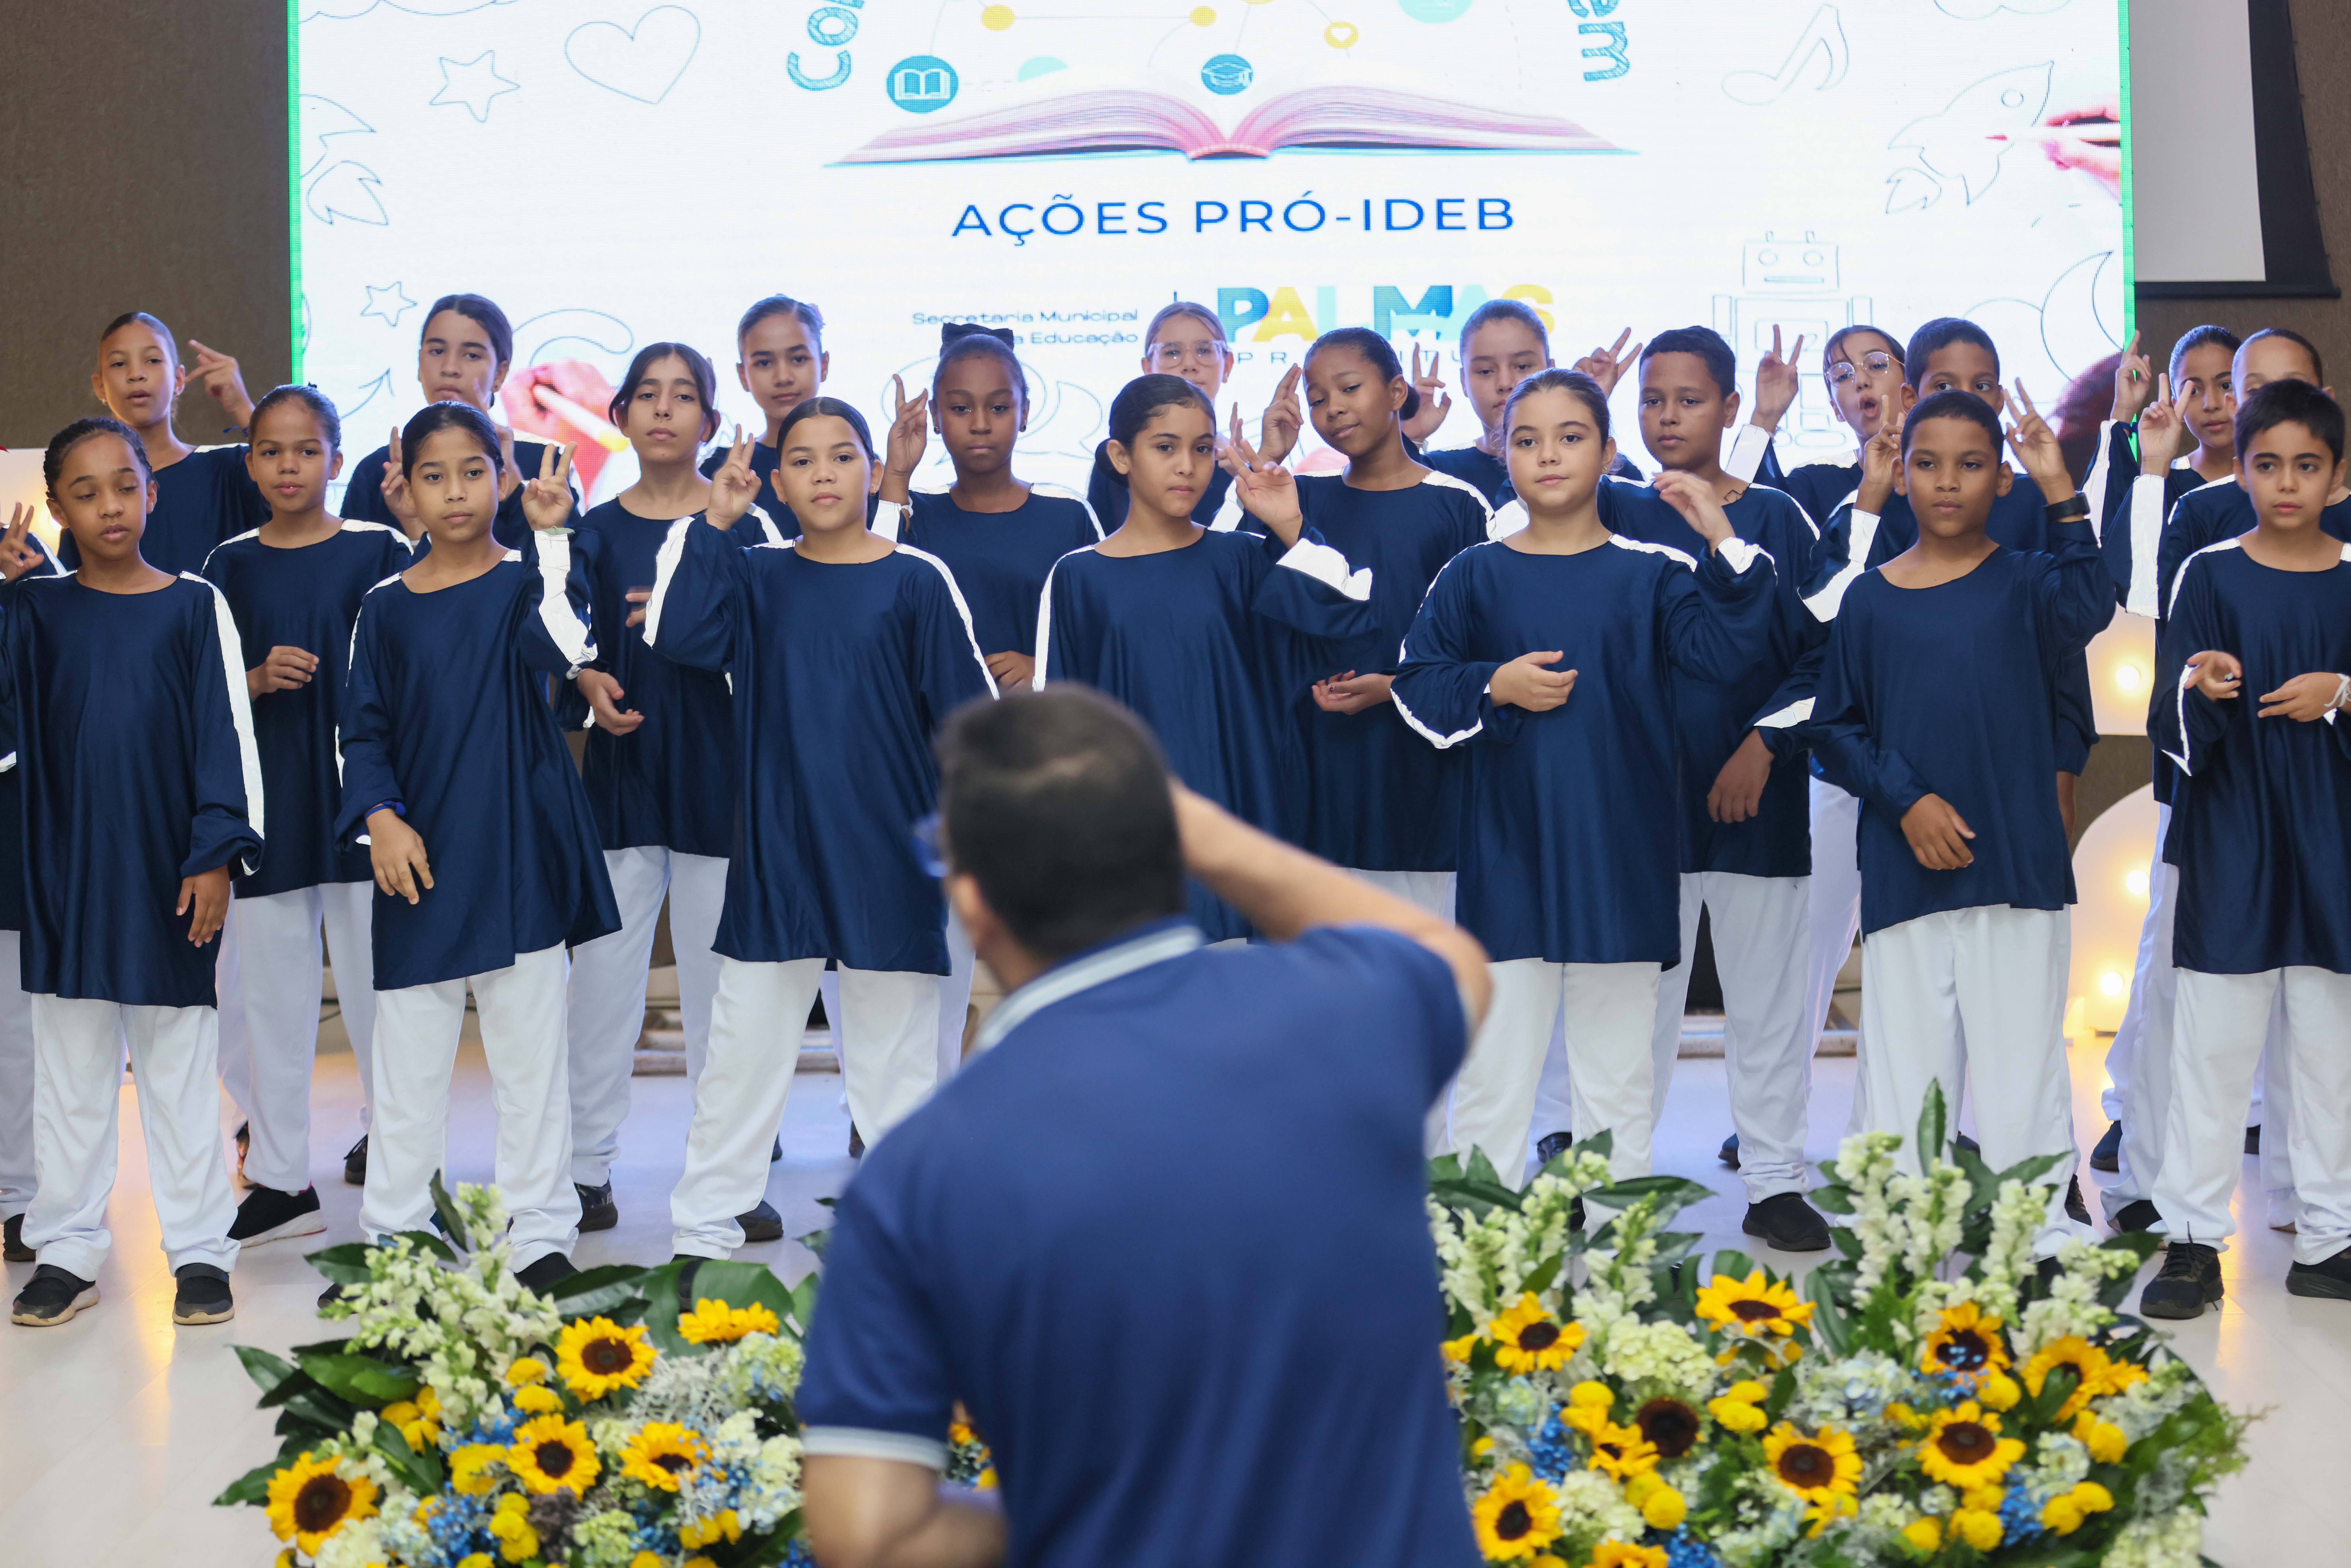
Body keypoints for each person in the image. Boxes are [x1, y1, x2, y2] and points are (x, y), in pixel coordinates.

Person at [796, 686, 1492, 1568]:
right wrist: (1200, 827)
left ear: (973, 905)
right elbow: (1449, 955)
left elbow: (868, 1536)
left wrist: (1077, 1516)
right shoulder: (1350, 1017)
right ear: (1173, 850)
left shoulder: (917, 1176)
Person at [1394, 369, 1775, 1188]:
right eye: (1526, 440)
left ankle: (1618, 1262)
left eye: (1570, 438)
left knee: (1616, 1083)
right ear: (1503, 455)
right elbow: (1419, 685)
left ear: (1607, 453)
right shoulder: (1474, 574)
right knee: (1494, 1078)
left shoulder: (1655, 574)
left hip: (1623, 864)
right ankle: (1484, 1262)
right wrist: (1494, 684)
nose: (1548, 456)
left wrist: (1720, 534)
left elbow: (1732, 651)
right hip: (1508, 865)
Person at [652, 401, 995, 1260]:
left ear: (869, 467)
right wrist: (718, 519)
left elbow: (972, 724)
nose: (825, 475)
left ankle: (911, 1237)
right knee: (743, 1049)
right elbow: (682, 635)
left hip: (888, 856)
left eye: (843, 456)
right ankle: (704, 1232)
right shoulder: (757, 574)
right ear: (778, 480)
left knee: (895, 1059)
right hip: (779, 853)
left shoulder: (915, 578)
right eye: (802, 461)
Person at [1811, 387, 2113, 1251]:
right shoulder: (1868, 598)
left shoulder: (2030, 585)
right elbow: (1834, 729)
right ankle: (1901, 1239)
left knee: (2022, 1065)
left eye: (1971, 464)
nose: (1948, 482)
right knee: (1904, 1066)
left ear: (2002, 479)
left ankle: (2041, 1239)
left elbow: (2091, 603)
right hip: (1908, 872)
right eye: (1928, 463)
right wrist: (1907, 800)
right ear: (1900, 475)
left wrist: (2063, 486)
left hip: (2016, 866)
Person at [332, 404, 616, 1300]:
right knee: (407, 1065)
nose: (454, 492)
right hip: (417, 857)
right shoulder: (381, 609)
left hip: (517, 850)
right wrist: (378, 815)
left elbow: (571, 645)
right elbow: (360, 731)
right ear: (402, 485)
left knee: (532, 1062)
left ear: (501, 475)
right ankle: (400, 1240)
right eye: (433, 475)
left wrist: (554, 536)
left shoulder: (521, 583)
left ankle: (539, 1236)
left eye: (471, 471)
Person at [4, 418, 262, 1329]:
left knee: (181, 1075)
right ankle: (67, 1249)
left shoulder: (194, 605)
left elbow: (224, 737)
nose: (110, 506)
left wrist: (215, 854)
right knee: (69, 1079)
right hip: (66, 877)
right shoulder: (33, 612)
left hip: (169, 880)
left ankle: (198, 1251)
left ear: (153, 490)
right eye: (86, 492)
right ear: (59, 510)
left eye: (126, 484)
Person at [1581, 325, 1833, 1248]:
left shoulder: (1773, 517)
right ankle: (1620, 1183)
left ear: (1732, 408)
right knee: (1631, 1009)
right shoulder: (1604, 508)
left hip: (1757, 809)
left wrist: (1762, 746)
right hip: (1639, 811)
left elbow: (1824, 656)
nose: (1668, 415)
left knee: (1766, 1004)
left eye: (1689, 399)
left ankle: (1773, 1182)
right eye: (1651, 400)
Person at [2102, 327, 2343, 1234]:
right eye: (2268, 463)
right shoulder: (2206, 558)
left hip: (2328, 831)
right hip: (2227, 826)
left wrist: (2341, 692)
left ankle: (2324, 1223)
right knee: (2203, 1029)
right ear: (2240, 469)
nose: (2288, 482)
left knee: (2324, 1040)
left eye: (2307, 465)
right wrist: (2198, 687)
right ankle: (2185, 1221)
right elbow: (2165, 678)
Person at [1037, 375, 1377, 942]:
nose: (1187, 466)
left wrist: (1288, 523)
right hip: (1136, 857)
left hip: (1247, 839)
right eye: (1165, 447)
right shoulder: (1078, 577)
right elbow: (1057, 738)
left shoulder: (1242, 558)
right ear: (1121, 455)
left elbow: (1349, 627)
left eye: (1201, 449)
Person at [563, 343, 777, 1236]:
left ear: (712, 421)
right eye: (645, 395)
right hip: (624, 777)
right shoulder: (595, 531)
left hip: (720, 781)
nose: (662, 410)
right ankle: (583, 1170)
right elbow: (567, 634)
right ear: (618, 415)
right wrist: (585, 685)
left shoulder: (744, 526)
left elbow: (769, 641)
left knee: (721, 986)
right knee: (605, 980)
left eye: (682, 395)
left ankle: (726, 1173)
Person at [203, 387, 411, 1249]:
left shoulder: (379, 547)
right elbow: (201, 695)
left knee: (384, 1003)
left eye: (308, 450)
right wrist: (251, 681)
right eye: (271, 451)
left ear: (335, 456)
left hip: (366, 815)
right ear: (249, 463)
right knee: (271, 1007)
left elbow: (418, 657)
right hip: (270, 818)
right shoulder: (227, 565)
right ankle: (283, 1178)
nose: (290, 467)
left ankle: (405, 1173)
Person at [2082, 326, 2236, 1195]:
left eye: (2229, 384)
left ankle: (2248, 1115)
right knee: (2167, 941)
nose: (2214, 403)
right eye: (2198, 386)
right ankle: (2132, 1110)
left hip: (2297, 754)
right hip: (2197, 751)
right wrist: (2132, 429)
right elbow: (2123, 570)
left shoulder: (2295, 496)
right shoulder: (2170, 489)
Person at [1268, 327, 1488, 919]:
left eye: (1348, 387)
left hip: (1422, 771)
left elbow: (1481, 646)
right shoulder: (1299, 498)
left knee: (1428, 970)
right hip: (1322, 768)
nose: (1332, 407)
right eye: (1316, 398)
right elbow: (1229, 578)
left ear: (1396, 392)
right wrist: (1270, 457)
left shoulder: (1458, 504)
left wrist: (1395, 689)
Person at [883, 325, 1103, 695]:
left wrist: (1045, 668)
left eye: (999, 407)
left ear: (1025, 413)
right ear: (935, 416)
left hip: (1043, 735)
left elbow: (1102, 633)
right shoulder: (913, 512)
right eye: (961, 408)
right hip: (939, 739)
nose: (981, 424)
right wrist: (897, 474)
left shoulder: (1068, 516)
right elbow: (876, 606)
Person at [338, 293, 578, 551]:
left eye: (472, 355)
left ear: (500, 373)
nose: (450, 367)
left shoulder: (547, 462)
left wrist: (516, 487)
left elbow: (573, 570)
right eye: (437, 351)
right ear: (420, 364)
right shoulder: (378, 472)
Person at [74, 312, 268, 576]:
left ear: (179, 380)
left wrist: (242, 407)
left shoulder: (230, 469)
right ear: (100, 387)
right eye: (119, 364)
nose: (136, 374)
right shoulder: (87, 488)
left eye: (153, 360)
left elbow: (294, 488)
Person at [0, 512, 61, 1268]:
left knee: (18, 1036)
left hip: (16, 847)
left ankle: (21, 1198)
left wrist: (33, 584)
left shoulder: (28, 570)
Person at [1086, 302, 1239, 528]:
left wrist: (1244, 477)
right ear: (1148, 368)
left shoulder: (1240, 466)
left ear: (1227, 365)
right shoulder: (1118, 458)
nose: (1189, 364)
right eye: (1173, 353)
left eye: (1204, 350)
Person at [699, 294, 831, 499]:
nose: (783, 378)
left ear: (824, 365)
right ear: (743, 375)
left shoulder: (857, 461)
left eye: (798, 359)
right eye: (764, 363)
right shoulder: (720, 470)